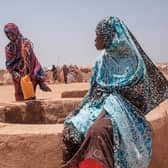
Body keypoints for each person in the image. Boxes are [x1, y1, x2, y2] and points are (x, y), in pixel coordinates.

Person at [62, 16, 168, 168]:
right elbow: (94, 90)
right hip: (98, 106)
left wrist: (112, 104)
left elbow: (139, 97)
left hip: (126, 112)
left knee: (98, 131)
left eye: (97, 34)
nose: (94, 39)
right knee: (71, 130)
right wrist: (85, 109)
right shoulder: (101, 60)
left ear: (108, 36)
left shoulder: (133, 63)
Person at [4, 23, 51, 101]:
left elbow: (31, 57)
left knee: (30, 94)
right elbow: (9, 64)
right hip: (17, 75)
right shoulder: (8, 48)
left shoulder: (25, 42)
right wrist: (14, 73)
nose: (10, 37)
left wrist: (26, 52)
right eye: (8, 36)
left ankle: (40, 82)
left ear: (16, 32)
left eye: (11, 34)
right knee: (19, 95)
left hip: (29, 71)